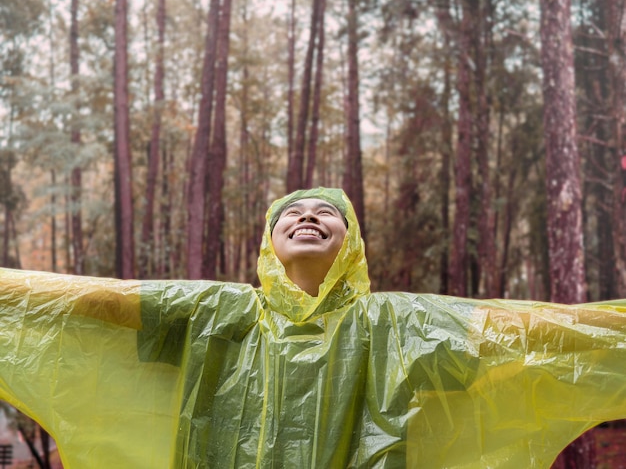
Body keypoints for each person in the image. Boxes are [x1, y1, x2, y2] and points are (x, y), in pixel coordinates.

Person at [1, 187, 626, 468]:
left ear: (350, 242)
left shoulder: (397, 321)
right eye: (290, 214)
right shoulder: (218, 313)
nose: (306, 217)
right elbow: (90, 303)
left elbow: (532, 334)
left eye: (325, 211)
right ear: (270, 243)